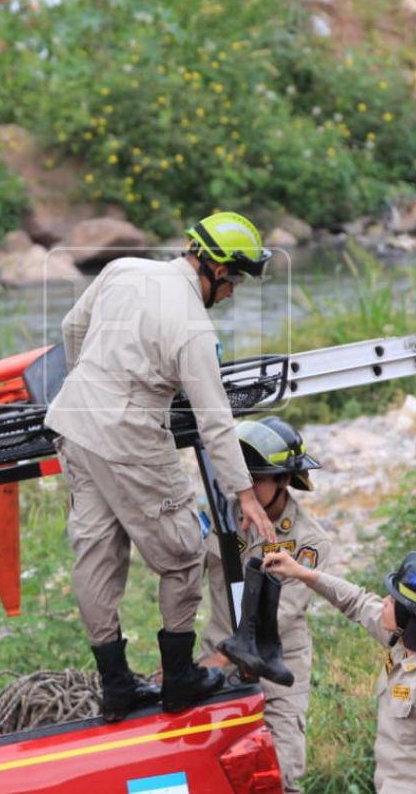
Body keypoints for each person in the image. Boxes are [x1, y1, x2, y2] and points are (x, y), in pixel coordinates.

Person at [45, 210, 277, 719]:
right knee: (183, 553)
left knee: (96, 551)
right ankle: (178, 678)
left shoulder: (125, 269)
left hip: (73, 421)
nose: (234, 291)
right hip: (130, 437)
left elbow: (71, 327)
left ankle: (117, 685)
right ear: (214, 269)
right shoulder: (193, 328)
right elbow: (215, 420)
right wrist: (244, 495)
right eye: (234, 278)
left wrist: (92, 381)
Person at [263, 548, 416, 793]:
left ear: (413, 617)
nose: (385, 602)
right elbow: (357, 601)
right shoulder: (407, 641)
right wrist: (302, 573)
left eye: (394, 601)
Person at [199, 417, 332, 792]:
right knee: (209, 758)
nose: (245, 487)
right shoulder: (217, 515)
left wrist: (224, 659)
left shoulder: (310, 542)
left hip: (278, 663)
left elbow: (280, 613)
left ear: (284, 481)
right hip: (217, 649)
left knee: (280, 765)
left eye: (255, 478)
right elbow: (180, 572)